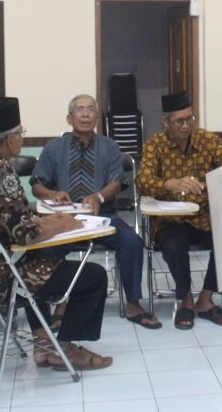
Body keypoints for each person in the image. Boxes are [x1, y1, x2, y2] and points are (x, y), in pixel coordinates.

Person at [0, 96, 112, 370]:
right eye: (20, 132)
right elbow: (25, 233)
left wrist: (45, 221)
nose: (21, 138)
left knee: (42, 259)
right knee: (93, 276)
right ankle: (65, 349)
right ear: (9, 140)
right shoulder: (0, 170)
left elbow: (0, 219)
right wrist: (64, 223)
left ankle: (42, 341)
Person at [30, 94, 159, 329]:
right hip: (64, 220)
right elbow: (36, 185)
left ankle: (133, 303)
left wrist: (99, 196)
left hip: (103, 218)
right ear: (69, 118)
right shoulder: (53, 147)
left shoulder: (109, 146)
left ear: (98, 118)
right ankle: (60, 302)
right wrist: (53, 194)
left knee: (132, 242)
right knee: (46, 248)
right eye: (80, 110)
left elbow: (117, 182)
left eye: (91, 110)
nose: (85, 115)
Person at [135, 91, 222, 330]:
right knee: (174, 245)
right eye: (179, 121)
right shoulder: (155, 145)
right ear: (165, 122)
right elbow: (141, 182)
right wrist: (170, 184)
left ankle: (206, 298)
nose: (185, 125)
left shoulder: (206, 140)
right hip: (169, 218)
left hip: (204, 216)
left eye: (189, 119)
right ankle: (186, 299)